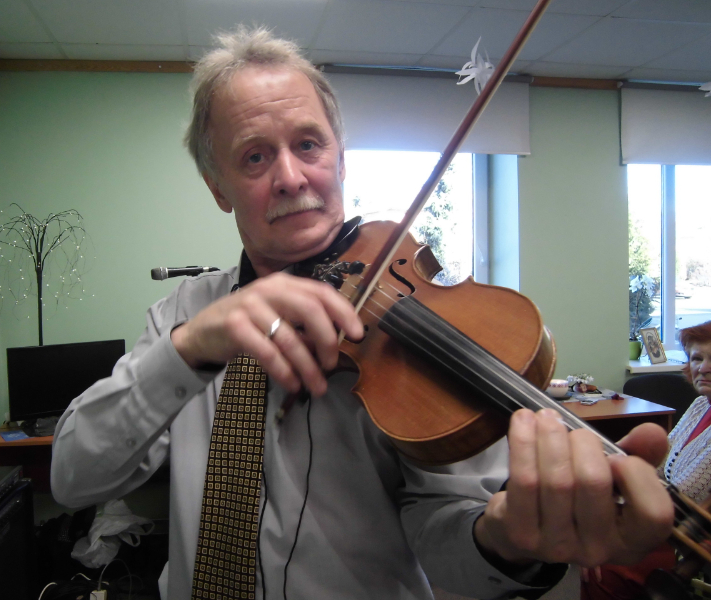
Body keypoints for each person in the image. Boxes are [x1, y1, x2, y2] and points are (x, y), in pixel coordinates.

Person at [51, 26, 674, 600]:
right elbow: (74, 478)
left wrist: (504, 539)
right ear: (219, 188)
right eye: (254, 157)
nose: (292, 177)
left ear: (340, 158)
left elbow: (448, 541)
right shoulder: (180, 317)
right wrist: (189, 350)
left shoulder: (410, 315)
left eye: (308, 145)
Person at [581, 320, 711, 599]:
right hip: (661, 522)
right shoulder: (701, 404)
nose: (703, 368)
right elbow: (659, 467)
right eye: (697, 358)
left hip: (681, 540)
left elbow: (684, 494)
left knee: (605, 568)